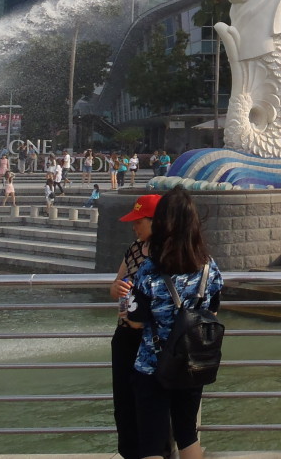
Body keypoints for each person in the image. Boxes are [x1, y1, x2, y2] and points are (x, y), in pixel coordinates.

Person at [125, 187, 222, 459]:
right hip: (192, 363)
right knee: (188, 434)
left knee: (152, 443)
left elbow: (135, 322)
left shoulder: (150, 270)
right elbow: (212, 311)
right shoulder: (208, 267)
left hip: (153, 366)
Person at [108, 193, 159, 459]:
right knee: (124, 403)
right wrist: (116, 288)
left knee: (150, 405)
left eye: (140, 221)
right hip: (125, 334)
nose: (134, 226)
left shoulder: (170, 254)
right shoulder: (134, 249)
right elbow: (115, 286)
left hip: (151, 340)